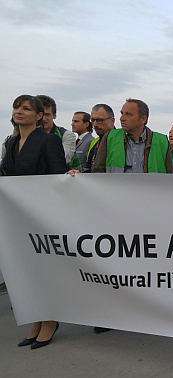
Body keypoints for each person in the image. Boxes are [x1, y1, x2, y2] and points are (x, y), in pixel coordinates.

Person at [0, 95, 67, 349]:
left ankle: (50, 319)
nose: (19, 111)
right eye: (16, 106)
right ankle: (37, 319)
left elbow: (57, 175)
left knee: (43, 270)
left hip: (41, 215)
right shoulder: (12, 141)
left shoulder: (49, 140)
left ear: (40, 116)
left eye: (26, 108)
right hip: (17, 217)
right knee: (26, 271)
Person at [91, 99, 173, 173]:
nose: (122, 118)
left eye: (128, 114)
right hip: (117, 189)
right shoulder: (110, 137)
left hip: (150, 189)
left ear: (143, 119)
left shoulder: (162, 141)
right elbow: (98, 172)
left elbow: (169, 177)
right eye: (122, 113)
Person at [36, 95, 80, 169]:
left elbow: (63, 160)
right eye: (40, 114)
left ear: (54, 115)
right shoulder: (27, 134)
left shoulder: (66, 135)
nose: (43, 118)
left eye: (47, 114)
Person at [85, 104, 116, 173]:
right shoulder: (94, 143)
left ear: (112, 121)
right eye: (92, 120)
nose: (95, 124)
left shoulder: (122, 141)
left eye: (99, 120)